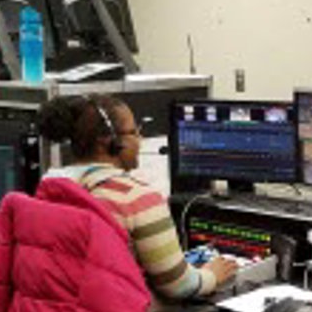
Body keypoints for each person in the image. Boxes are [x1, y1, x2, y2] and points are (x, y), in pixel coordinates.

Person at [38, 94, 237, 300]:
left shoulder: (48, 191)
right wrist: (212, 274)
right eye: (133, 132)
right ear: (108, 140)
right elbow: (179, 286)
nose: (139, 140)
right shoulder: (135, 197)